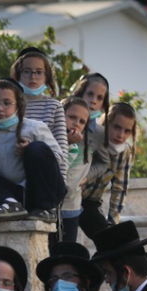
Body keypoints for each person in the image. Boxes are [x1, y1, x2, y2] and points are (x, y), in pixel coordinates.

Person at [0, 78, 65, 220]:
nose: (0, 108)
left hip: (38, 190)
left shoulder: (34, 127)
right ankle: (9, 203)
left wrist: (29, 151)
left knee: (36, 148)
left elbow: (58, 159)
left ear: (18, 106)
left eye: (7, 103)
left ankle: (45, 209)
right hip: (12, 191)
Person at [78, 101, 136, 241]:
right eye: (116, 127)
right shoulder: (91, 138)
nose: (120, 135)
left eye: (127, 131)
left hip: (91, 202)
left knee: (110, 240)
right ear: (106, 123)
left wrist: (112, 221)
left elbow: (120, 188)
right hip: (70, 197)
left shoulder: (125, 152)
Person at [57, 97, 94, 243]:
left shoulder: (85, 148)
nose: (76, 123)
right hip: (49, 209)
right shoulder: (49, 137)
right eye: (72, 117)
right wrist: (66, 143)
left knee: (67, 251)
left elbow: (69, 181)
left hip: (70, 209)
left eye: (82, 121)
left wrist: (88, 177)